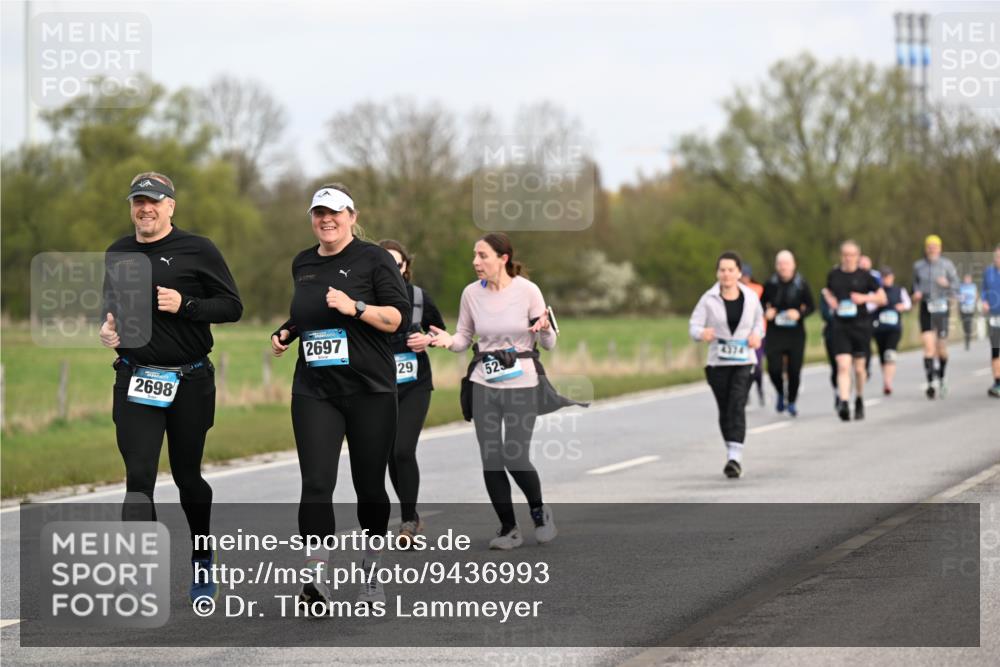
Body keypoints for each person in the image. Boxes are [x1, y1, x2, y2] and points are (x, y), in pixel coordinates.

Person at [100, 172, 243, 603]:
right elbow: (111, 307)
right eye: (138, 202)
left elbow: (233, 307)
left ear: (170, 207)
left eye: (154, 202)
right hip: (136, 376)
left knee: (187, 477)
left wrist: (188, 306)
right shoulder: (118, 252)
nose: (145, 209)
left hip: (189, 380)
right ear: (131, 207)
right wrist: (108, 329)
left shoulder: (198, 249)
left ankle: (202, 559)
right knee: (138, 477)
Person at [270, 183, 410, 609]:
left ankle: (371, 573)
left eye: (333, 212)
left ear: (351, 215)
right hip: (316, 390)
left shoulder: (373, 259)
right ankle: (315, 578)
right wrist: (288, 331)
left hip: (370, 389)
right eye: (318, 213)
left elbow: (397, 318)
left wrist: (357, 308)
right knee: (315, 483)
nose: (325, 220)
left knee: (369, 486)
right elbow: (307, 311)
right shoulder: (303, 263)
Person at [428, 233, 579, 549]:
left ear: (503, 259)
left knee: (514, 454)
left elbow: (549, 344)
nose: (475, 262)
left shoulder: (527, 291)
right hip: (484, 383)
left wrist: (547, 328)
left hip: (522, 383)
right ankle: (508, 528)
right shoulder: (471, 293)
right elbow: (463, 338)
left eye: (482, 255)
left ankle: (539, 511)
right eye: (474, 255)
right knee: (491, 458)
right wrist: (445, 341)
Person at [378, 239, 446, 549]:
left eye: (399, 264)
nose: (394, 270)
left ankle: (407, 520)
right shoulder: (367, 299)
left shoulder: (419, 297)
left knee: (404, 449)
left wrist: (428, 340)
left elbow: (440, 331)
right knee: (391, 453)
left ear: (406, 267)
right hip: (380, 386)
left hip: (415, 383)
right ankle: (412, 516)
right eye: (386, 264)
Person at [689, 251, 765, 479]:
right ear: (717, 273)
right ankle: (731, 450)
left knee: (737, 403)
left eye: (731, 270)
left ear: (739, 272)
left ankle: (735, 457)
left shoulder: (751, 297)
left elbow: (759, 322)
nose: (726, 274)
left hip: (744, 360)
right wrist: (702, 332)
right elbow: (693, 326)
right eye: (722, 270)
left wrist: (756, 335)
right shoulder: (708, 299)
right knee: (725, 408)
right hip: (718, 363)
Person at [821, 240, 887, 421]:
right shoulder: (834, 275)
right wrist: (831, 300)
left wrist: (864, 298)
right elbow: (827, 291)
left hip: (861, 327)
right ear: (841, 256)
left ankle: (858, 397)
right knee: (843, 365)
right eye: (845, 255)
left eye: (852, 255)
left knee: (859, 370)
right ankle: (844, 402)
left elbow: (882, 298)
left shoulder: (866, 277)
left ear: (858, 257)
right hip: (841, 327)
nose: (848, 258)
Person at [761, 250, 815, 417]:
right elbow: (759, 305)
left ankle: (791, 401)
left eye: (786, 264)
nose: (783, 267)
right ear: (776, 266)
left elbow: (812, 306)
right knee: (774, 369)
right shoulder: (770, 284)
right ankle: (779, 392)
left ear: (793, 265)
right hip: (775, 332)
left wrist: (799, 314)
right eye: (780, 264)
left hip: (795, 333)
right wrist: (765, 312)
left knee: (794, 370)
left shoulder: (801, 283)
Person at [912, 234, 959, 399]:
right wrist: (916, 295)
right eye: (929, 246)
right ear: (926, 248)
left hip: (942, 308)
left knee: (942, 349)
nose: (932, 249)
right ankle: (930, 382)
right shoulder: (918, 266)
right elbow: (915, 286)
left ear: (940, 248)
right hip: (926, 307)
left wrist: (947, 284)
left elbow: (957, 286)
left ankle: (942, 376)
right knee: (928, 347)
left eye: (935, 246)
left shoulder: (947, 265)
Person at [871, 267, 912, 396]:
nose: (886, 279)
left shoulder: (899, 290)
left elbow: (908, 304)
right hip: (879, 328)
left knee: (890, 353)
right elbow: (868, 306)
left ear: (892, 277)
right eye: (884, 277)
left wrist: (902, 307)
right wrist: (877, 303)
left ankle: (888, 382)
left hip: (894, 328)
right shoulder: (876, 291)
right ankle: (886, 379)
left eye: (888, 277)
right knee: (883, 355)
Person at [740, 264, 766, 407]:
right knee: (744, 366)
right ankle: (745, 393)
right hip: (741, 334)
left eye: (746, 275)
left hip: (757, 334)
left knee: (757, 365)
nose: (744, 278)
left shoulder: (758, 289)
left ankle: (760, 390)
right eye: (742, 275)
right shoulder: (733, 290)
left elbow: (763, 310)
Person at [982, 244, 1000, 398]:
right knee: (995, 349)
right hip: (994, 315)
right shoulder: (988, 272)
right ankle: (997, 382)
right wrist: (984, 301)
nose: (998, 259)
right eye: (996, 256)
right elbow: (984, 290)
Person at [959, 274, 978, 351]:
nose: (967, 280)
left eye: (968, 279)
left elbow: (976, 296)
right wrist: (961, 298)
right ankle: (966, 338)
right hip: (963, 308)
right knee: (964, 325)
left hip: (970, 308)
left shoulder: (973, 286)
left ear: (970, 280)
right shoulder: (961, 286)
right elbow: (958, 296)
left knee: (969, 324)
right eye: (966, 279)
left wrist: (975, 301)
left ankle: (968, 341)